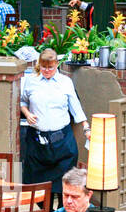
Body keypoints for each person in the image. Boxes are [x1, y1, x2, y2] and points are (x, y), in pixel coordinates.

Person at [20, 48, 88, 201]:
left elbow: (75, 107)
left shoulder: (65, 82)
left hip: (62, 142)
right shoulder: (31, 81)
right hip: (38, 143)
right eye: (43, 67)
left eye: (50, 67)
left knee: (63, 184)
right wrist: (27, 113)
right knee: (36, 186)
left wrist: (86, 127)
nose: (47, 70)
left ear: (57, 64)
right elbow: (23, 101)